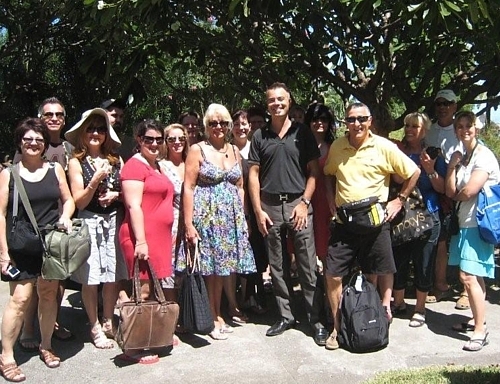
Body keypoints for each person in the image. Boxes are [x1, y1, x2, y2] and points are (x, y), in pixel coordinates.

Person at [323, 102, 420, 350]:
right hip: (345, 223)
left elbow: (413, 171)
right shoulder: (337, 146)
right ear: (345, 122)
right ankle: (337, 328)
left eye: (361, 119)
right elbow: (328, 173)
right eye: (351, 119)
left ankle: (373, 322)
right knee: (333, 274)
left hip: (375, 221)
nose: (356, 124)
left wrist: (399, 200)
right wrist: (329, 200)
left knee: (375, 273)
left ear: (370, 121)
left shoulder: (384, 146)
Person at [248, 82, 327, 346]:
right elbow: (253, 175)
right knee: (278, 265)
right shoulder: (259, 136)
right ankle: (285, 315)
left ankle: (314, 319)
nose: (277, 104)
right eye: (272, 100)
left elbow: (314, 173)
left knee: (307, 265)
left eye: (281, 99)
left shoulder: (302, 132)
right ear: (267, 103)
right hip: (270, 207)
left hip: (298, 205)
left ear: (289, 101)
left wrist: (304, 202)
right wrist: (258, 210)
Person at [0, 118, 75, 380]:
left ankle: (46, 345)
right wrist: (3, 253)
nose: (34, 143)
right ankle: (6, 356)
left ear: (45, 144)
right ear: (20, 142)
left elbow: (68, 201)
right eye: (28, 139)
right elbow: (0, 214)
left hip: (51, 243)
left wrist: (65, 216)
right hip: (21, 245)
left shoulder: (55, 169)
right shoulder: (9, 174)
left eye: (39, 140)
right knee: (19, 300)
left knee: (48, 294)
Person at [179, 103, 256, 340]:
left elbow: (240, 186)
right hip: (207, 217)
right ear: (206, 126)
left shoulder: (234, 150)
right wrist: (189, 224)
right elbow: (189, 187)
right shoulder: (197, 150)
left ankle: (219, 312)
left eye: (223, 122)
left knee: (224, 270)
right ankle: (212, 317)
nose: (218, 127)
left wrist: (242, 218)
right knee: (210, 270)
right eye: (213, 123)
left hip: (230, 220)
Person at [14, 98, 73, 352]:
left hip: (60, 224)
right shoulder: (30, 144)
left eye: (59, 114)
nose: (54, 118)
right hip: (32, 228)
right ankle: (28, 329)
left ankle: (52, 324)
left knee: (55, 283)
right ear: (40, 116)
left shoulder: (69, 147)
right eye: (48, 114)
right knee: (31, 286)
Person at [66, 108, 126, 349]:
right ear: (82, 133)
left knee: (112, 274)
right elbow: (79, 201)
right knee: (90, 278)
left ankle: (108, 320)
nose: (95, 133)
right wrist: (94, 181)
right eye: (90, 128)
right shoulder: (76, 162)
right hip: (90, 221)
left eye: (101, 129)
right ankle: (93, 325)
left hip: (113, 220)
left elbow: (127, 192)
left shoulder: (115, 159)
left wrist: (116, 195)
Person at [118, 119, 175, 364]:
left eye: (158, 139)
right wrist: (141, 241)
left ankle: (149, 336)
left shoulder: (156, 166)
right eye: (148, 139)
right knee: (140, 289)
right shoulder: (134, 166)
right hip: (140, 236)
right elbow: (133, 205)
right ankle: (133, 345)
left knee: (150, 288)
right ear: (139, 140)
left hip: (158, 238)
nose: (154, 143)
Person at [445, 111, 499, 351]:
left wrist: (457, 194)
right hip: (463, 222)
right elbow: (450, 190)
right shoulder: (463, 157)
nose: (464, 130)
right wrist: (452, 167)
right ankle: (478, 319)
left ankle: (480, 330)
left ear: (476, 128)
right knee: (470, 276)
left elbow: (469, 191)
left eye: (469, 125)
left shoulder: (483, 156)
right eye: (460, 126)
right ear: (456, 130)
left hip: (479, 223)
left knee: (468, 276)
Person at [391, 112, 446, 327]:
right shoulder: (398, 152)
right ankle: (399, 303)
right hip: (403, 217)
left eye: (415, 126)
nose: (410, 130)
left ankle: (420, 309)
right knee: (399, 261)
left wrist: (430, 170)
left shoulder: (433, 155)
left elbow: (442, 189)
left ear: (425, 130)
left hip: (429, 215)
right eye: (407, 126)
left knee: (424, 263)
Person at [425, 90, 464, 307]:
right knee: (439, 240)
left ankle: (467, 290)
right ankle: (440, 285)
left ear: (455, 106)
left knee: (462, 241)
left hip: (459, 192)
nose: (443, 107)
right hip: (435, 191)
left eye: (447, 103)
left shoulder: (461, 130)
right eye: (439, 103)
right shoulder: (429, 131)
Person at [231, 110, 267, 315]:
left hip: (257, 208)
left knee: (257, 254)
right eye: (236, 124)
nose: (241, 128)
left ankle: (257, 296)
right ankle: (239, 297)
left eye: (244, 124)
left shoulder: (257, 147)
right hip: (234, 210)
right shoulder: (226, 150)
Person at [158, 123, 190, 302]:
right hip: (170, 222)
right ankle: (172, 309)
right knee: (170, 266)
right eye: (171, 139)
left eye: (181, 138)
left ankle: (188, 310)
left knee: (189, 266)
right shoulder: (161, 166)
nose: (177, 142)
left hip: (192, 221)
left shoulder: (192, 162)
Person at [304, 102, 336, 263]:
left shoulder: (335, 148)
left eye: (324, 119)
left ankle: (327, 287)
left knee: (327, 251)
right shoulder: (299, 147)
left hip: (327, 203)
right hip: (306, 202)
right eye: (315, 119)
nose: (319, 123)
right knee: (306, 251)